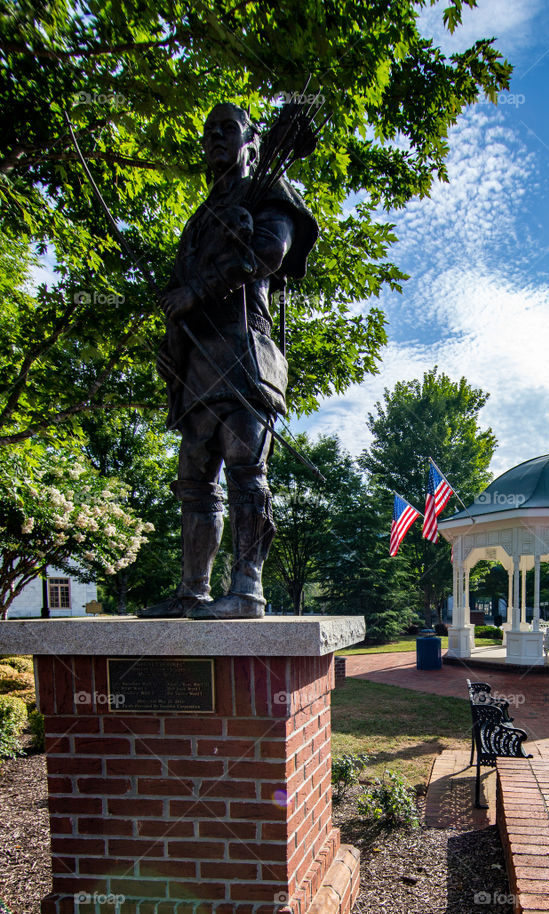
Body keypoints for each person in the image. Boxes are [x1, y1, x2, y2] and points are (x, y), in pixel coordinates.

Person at [140, 101, 318, 619]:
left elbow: (270, 251)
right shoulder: (198, 222)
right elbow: (178, 291)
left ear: (251, 142)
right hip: (197, 365)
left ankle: (247, 590)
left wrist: (197, 290)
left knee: (246, 471)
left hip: (243, 354)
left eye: (229, 128)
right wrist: (172, 343)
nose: (217, 137)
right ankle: (192, 589)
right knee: (195, 480)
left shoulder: (267, 190)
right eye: (209, 130)